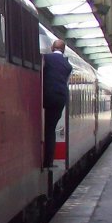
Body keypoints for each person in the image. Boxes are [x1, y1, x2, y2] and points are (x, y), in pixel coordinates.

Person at [42, 38, 72, 168]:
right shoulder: (68, 65)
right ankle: (49, 161)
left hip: (46, 95)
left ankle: (43, 159)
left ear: (52, 48)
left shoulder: (46, 58)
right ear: (64, 50)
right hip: (60, 98)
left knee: (44, 127)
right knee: (50, 128)